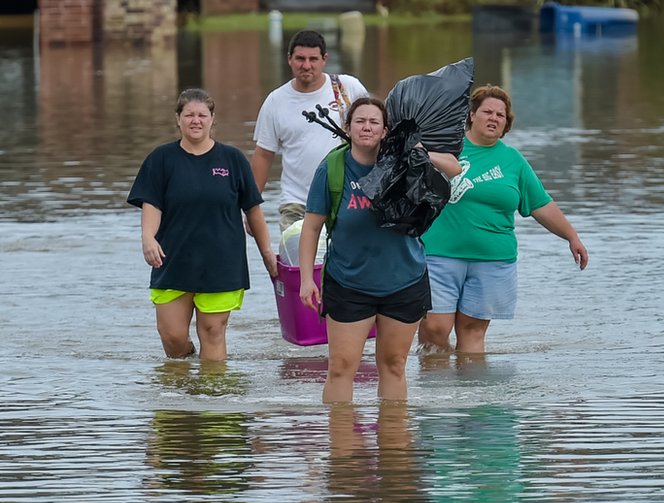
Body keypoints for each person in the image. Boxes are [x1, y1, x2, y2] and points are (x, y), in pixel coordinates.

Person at [298, 97, 461, 403]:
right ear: (348, 127)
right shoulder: (332, 168)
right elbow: (311, 227)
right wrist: (307, 279)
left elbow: (454, 168)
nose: (367, 127)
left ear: (386, 130)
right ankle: (342, 445)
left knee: (394, 365)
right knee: (341, 367)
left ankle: (394, 446)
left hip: (404, 280)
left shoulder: (405, 160)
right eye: (360, 121)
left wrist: (417, 149)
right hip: (348, 282)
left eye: (374, 122)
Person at [418, 84, 589, 355]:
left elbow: (540, 204)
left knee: (472, 334)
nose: (494, 118)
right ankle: (437, 395)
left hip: (493, 260)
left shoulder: (513, 160)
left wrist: (571, 236)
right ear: (472, 115)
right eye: (487, 111)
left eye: (501, 115)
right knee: (434, 331)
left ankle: (473, 393)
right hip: (439, 256)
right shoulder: (446, 149)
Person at [128, 88, 278, 361]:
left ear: (212, 119)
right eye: (189, 115)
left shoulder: (232, 160)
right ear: (178, 119)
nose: (195, 120)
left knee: (213, 331)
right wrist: (148, 238)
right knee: (171, 336)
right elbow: (152, 204)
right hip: (173, 259)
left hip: (222, 260)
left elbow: (253, 210)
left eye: (202, 115)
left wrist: (267, 252)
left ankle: (213, 397)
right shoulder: (161, 160)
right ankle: (183, 384)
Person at [252, 30, 369, 231]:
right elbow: (263, 155)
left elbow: (374, 131)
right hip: (296, 205)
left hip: (343, 198)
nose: (306, 65)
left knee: (342, 262)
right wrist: (251, 208)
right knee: (298, 262)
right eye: (300, 59)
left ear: (324, 59)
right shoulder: (275, 101)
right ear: (289, 59)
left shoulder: (347, 88)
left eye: (313, 59)